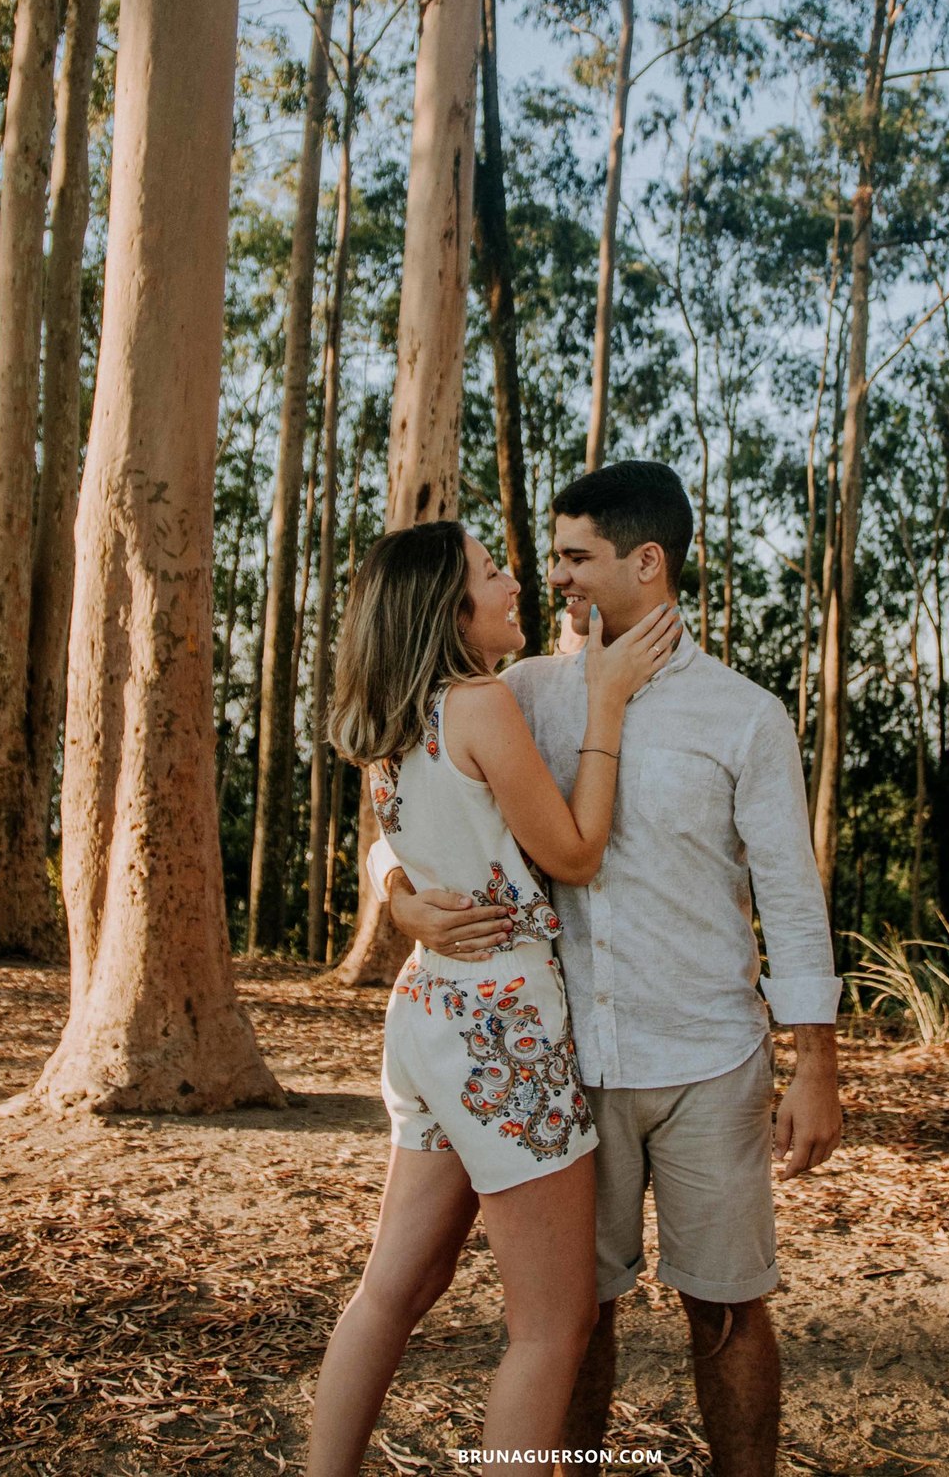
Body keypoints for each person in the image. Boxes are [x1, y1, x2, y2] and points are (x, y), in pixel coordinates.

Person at [376, 462, 843, 1477]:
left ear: (647, 561)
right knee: (571, 1324)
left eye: (577, 557)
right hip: (566, 1061)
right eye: (551, 558)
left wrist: (816, 1064)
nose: (558, 578)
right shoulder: (521, 693)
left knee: (727, 1310)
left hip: (709, 1061)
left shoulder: (746, 717)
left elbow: (792, 899)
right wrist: (395, 894)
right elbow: (403, 784)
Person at [305, 518, 682, 1477]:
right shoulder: (477, 704)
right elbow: (575, 854)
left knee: (396, 1285)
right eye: (491, 572)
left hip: (429, 1013)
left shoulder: (395, 718)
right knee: (552, 1326)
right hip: (503, 1031)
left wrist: (397, 898)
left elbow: (392, 842)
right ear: (449, 606)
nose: (515, 580)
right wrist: (605, 703)